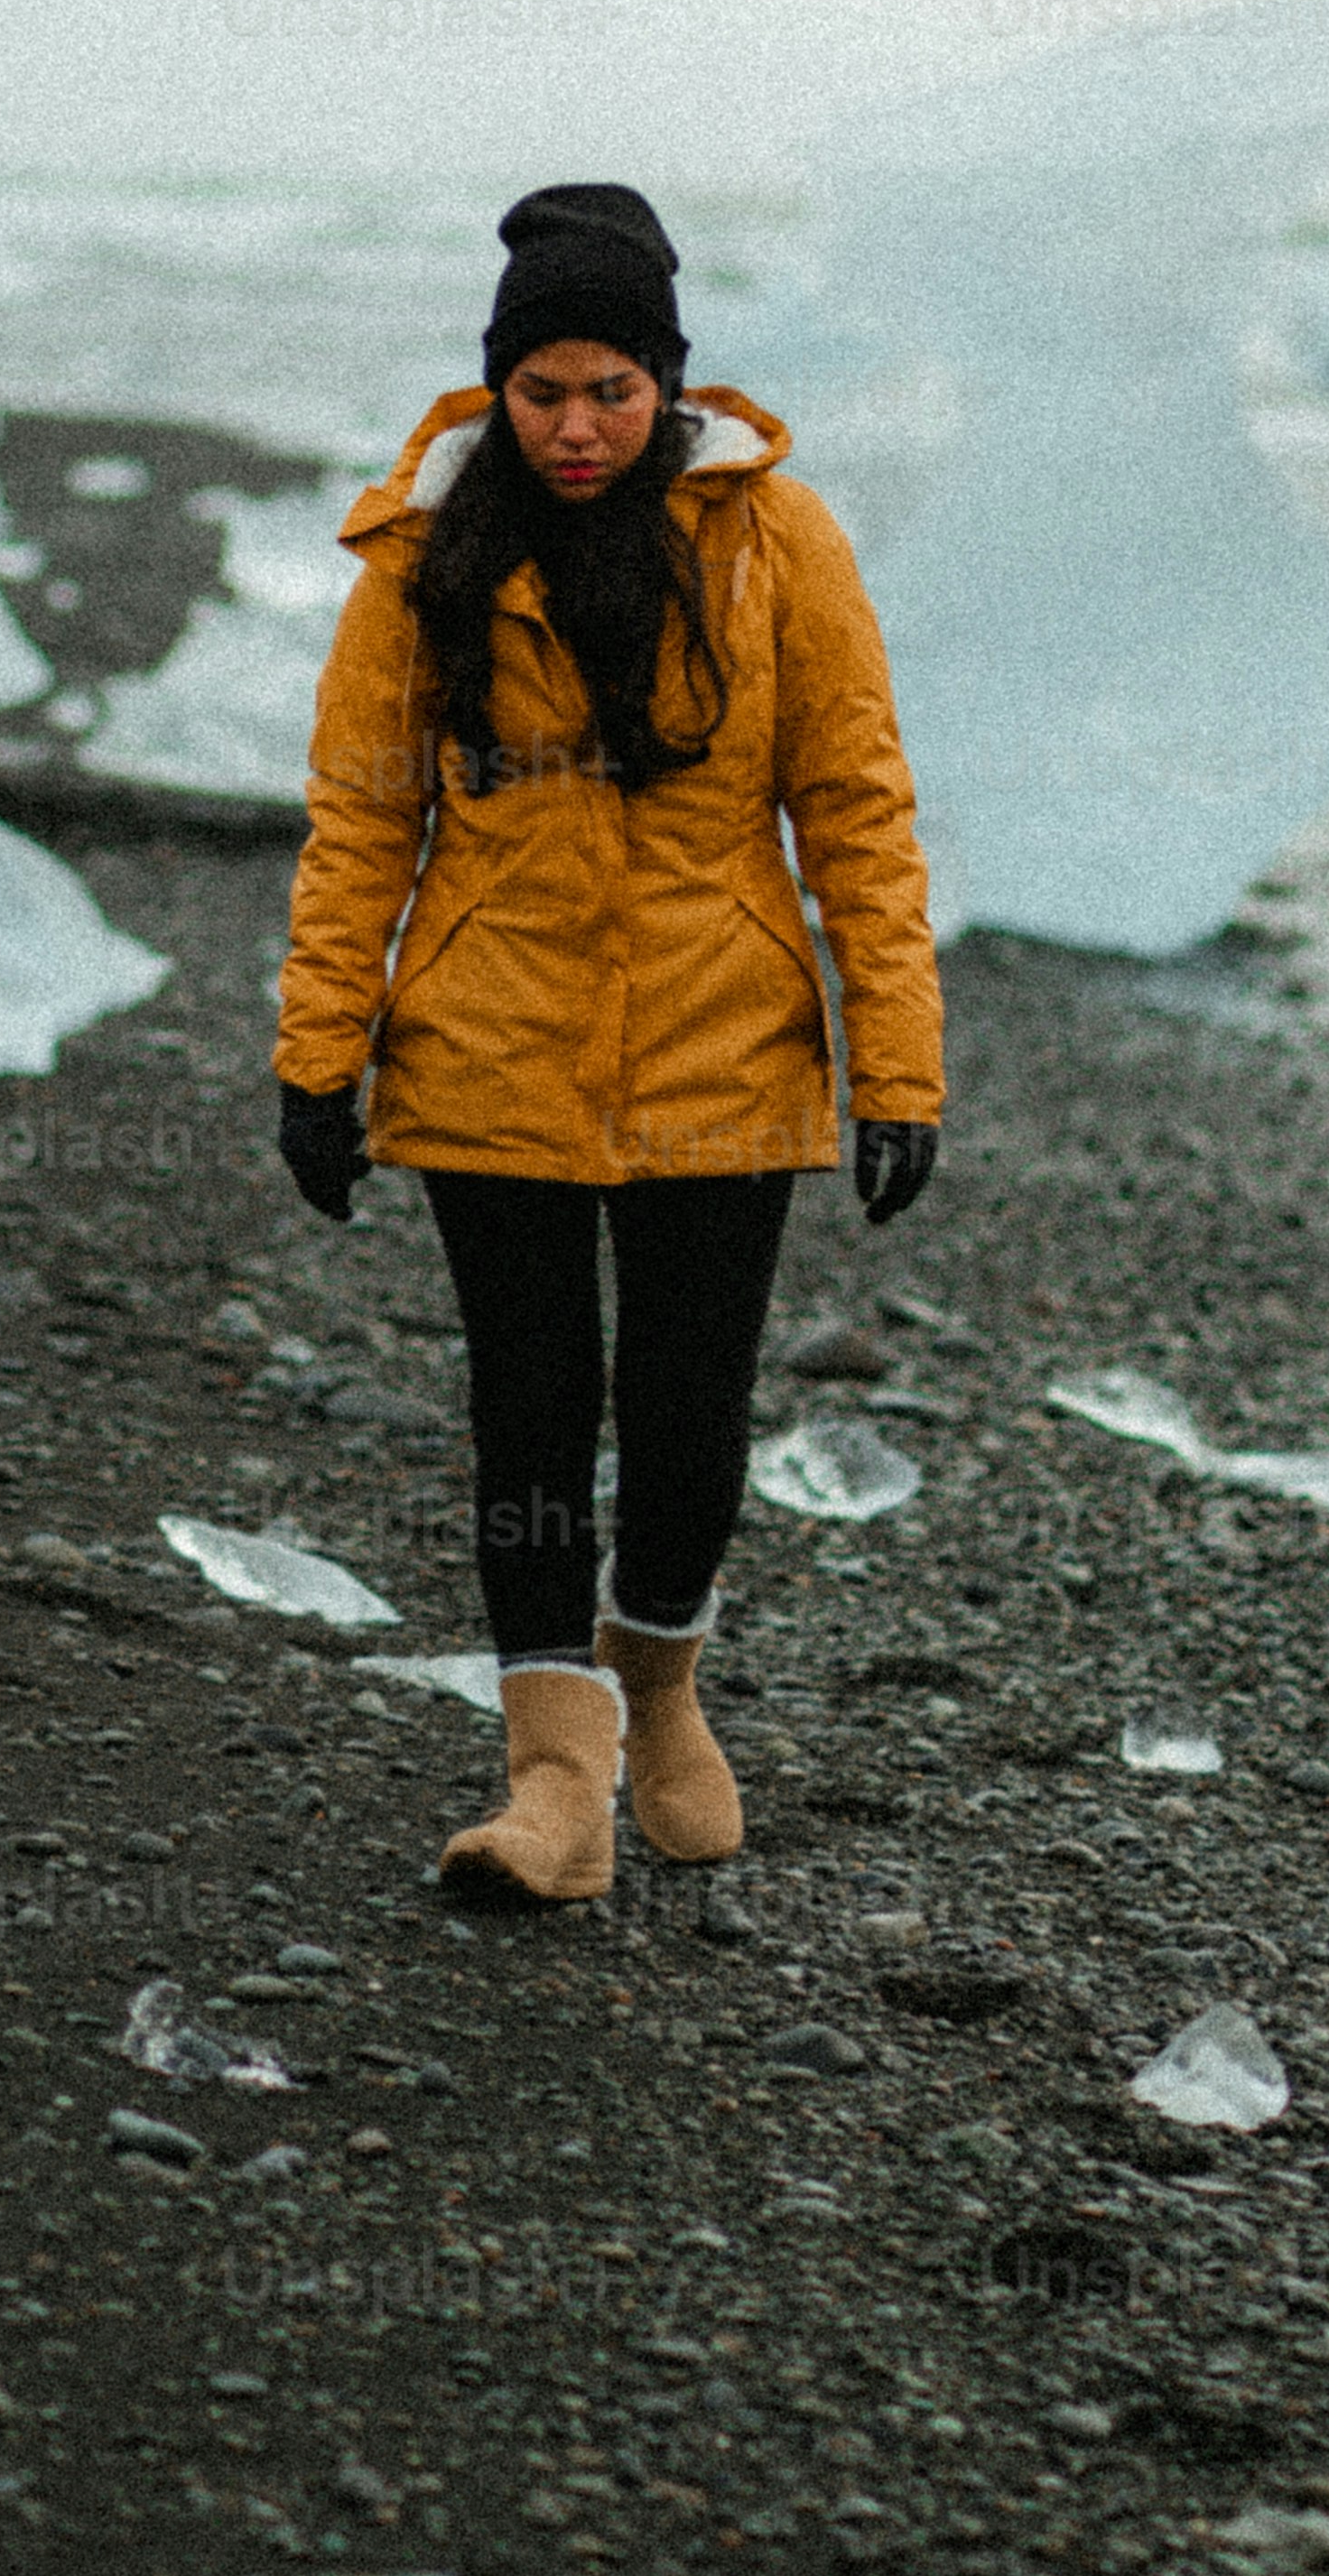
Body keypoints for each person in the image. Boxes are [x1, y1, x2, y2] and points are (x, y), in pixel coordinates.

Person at [273, 181, 943, 1903]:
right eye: (544, 389)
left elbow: (854, 807)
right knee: (531, 1412)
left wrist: (898, 1063)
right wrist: (319, 1055)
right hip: (487, 1049)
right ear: (501, 386)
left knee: (692, 1413)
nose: (576, 428)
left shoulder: (783, 541)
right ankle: (555, 1783)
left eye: (612, 389)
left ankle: (661, 1684)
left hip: (729, 1050)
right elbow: (362, 820)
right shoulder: (425, 556)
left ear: (669, 385)